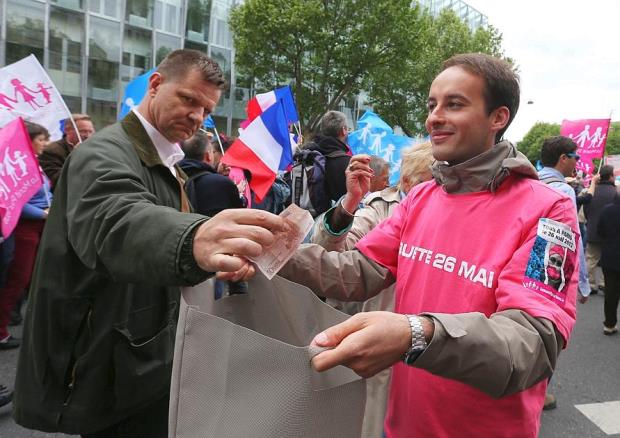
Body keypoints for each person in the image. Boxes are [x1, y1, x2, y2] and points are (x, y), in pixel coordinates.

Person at [279, 53, 579, 437]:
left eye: (454, 104)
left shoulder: (550, 211)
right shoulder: (422, 197)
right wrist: (271, 250)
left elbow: (531, 344)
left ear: (498, 118)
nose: (434, 117)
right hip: (400, 426)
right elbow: (358, 271)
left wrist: (417, 334)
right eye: (432, 104)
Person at [13, 49, 288, 437]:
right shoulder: (102, 153)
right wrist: (193, 239)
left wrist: (214, 253)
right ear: (156, 85)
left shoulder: (164, 161)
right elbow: (116, 220)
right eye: (188, 99)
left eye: (206, 110)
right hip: (109, 364)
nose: (197, 116)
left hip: (141, 357)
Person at [312, 142, 433, 438]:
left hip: (432, 342)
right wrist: (350, 203)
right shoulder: (381, 209)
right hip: (384, 343)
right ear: (408, 182)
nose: (439, 191)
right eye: (431, 181)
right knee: (374, 421)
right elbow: (331, 251)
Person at [0, 122, 52, 350]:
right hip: (24, 229)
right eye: (41, 139)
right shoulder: (16, 167)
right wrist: (42, 213)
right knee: (17, 279)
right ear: (27, 141)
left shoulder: (35, 163)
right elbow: (15, 200)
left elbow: (45, 192)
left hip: (40, 226)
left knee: (32, 278)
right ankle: (1, 332)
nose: (46, 143)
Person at [178, 130, 242, 217]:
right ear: (208, 155)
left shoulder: (171, 176)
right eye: (212, 152)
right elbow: (237, 215)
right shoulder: (222, 184)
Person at [304, 110, 352, 203]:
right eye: (347, 129)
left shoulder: (307, 153)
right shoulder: (348, 163)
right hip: (334, 211)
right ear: (343, 130)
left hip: (301, 210)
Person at [585, 165, 618, 294]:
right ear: (610, 177)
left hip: (593, 230)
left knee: (591, 259)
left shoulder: (592, 191)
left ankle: (590, 284)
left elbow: (586, 210)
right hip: (612, 234)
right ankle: (605, 283)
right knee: (608, 260)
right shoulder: (615, 192)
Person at [38, 113, 95, 189]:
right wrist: (75, 157)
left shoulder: (96, 149)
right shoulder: (51, 151)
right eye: (83, 131)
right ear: (67, 130)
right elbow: (57, 181)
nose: (88, 135)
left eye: (90, 132)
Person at [597, 192, 620, 335]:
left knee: (610, 292)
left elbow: (600, 231)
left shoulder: (607, 210)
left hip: (610, 255)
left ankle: (609, 324)